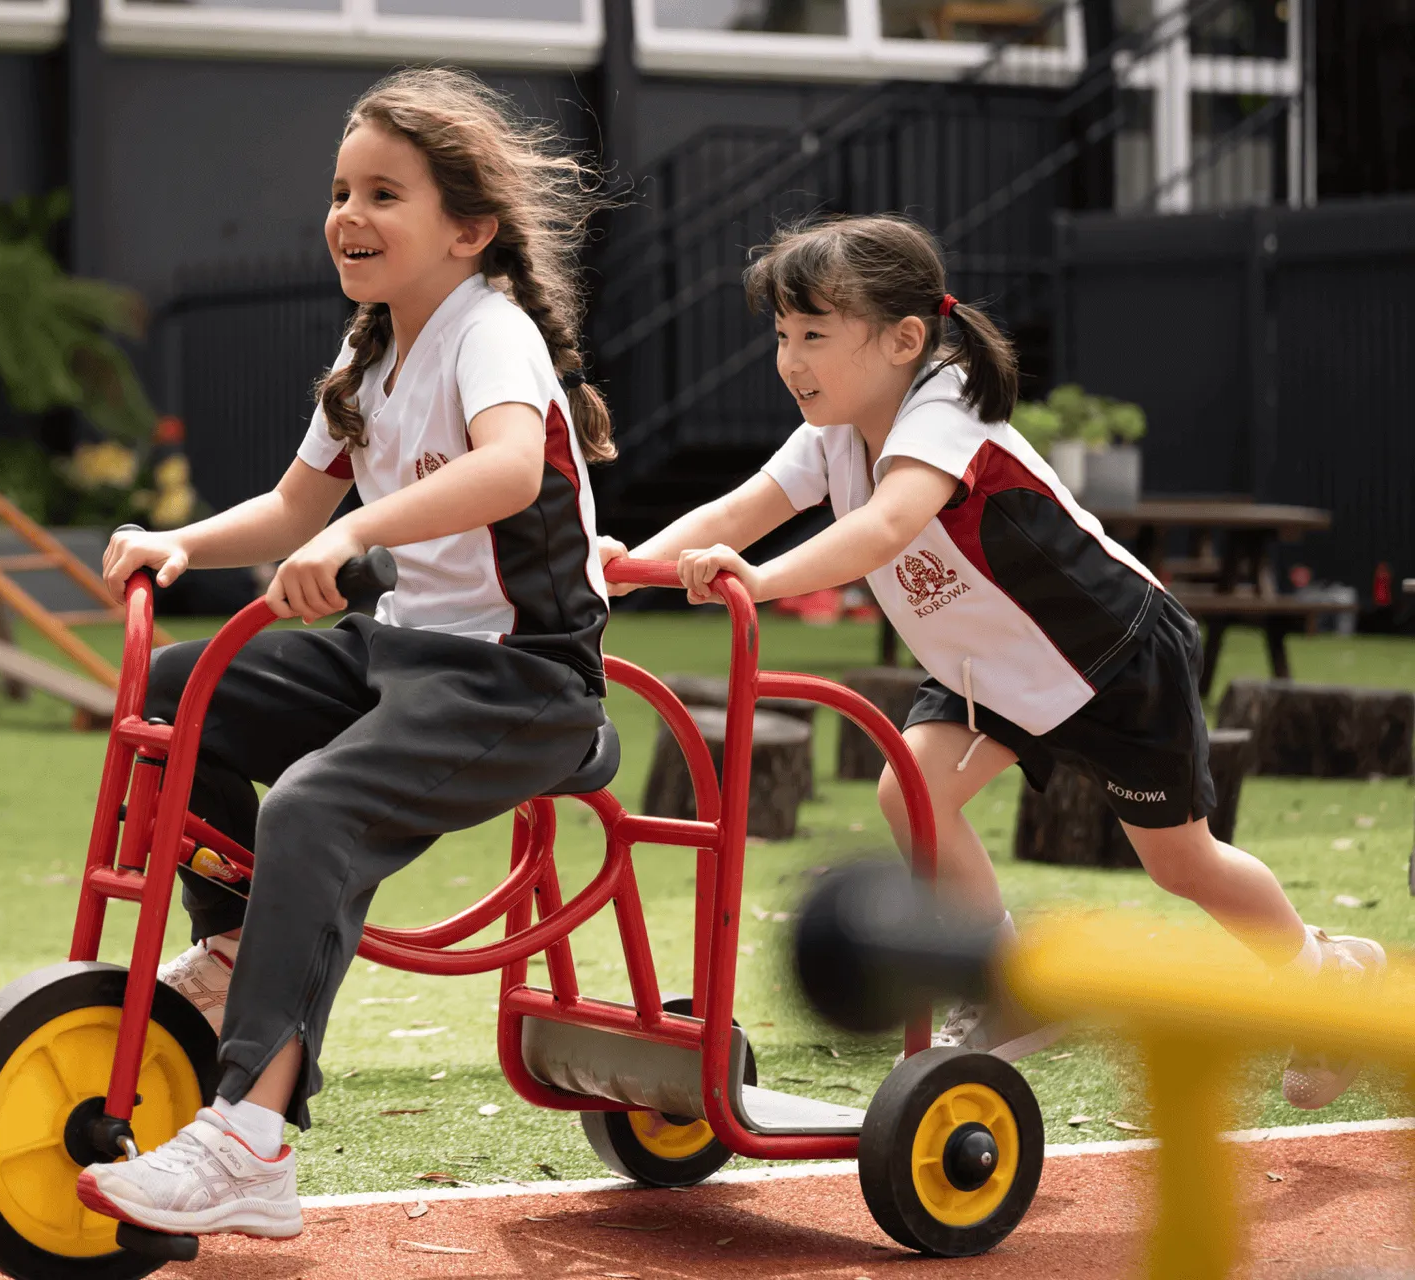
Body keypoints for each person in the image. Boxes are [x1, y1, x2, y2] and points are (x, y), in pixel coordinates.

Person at [601, 213, 1383, 1110]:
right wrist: (620, 569)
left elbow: (886, 526)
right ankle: (1007, 985)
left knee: (1182, 864)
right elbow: (738, 510)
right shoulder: (831, 434)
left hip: (1110, 654)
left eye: (814, 334)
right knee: (913, 794)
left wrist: (760, 579)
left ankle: (1324, 975)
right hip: (990, 674)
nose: (790, 358)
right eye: (782, 334)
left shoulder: (948, 405)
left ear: (903, 339)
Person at [78, 68, 614, 1238]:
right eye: (339, 190)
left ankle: (250, 1142)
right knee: (179, 695)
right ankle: (230, 944)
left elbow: (512, 469)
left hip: (525, 680)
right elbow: (284, 509)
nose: (348, 216)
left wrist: (363, 529)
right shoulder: (370, 351)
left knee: (313, 809)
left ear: (467, 231)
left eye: (385, 193)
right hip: (404, 651)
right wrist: (178, 540)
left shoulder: (491, 332)